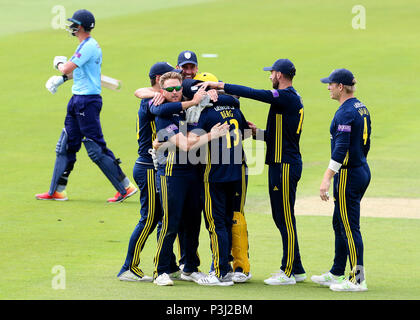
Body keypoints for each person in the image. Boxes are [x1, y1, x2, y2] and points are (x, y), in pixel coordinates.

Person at [200, 58, 307, 285]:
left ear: (279, 75)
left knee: (284, 218)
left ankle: (288, 272)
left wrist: (221, 86)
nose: (270, 76)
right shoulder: (290, 99)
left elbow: (254, 93)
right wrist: (257, 132)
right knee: (283, 217)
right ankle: (296, 267)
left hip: (284, 165)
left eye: (272, 73)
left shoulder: (285, 96)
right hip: (282, 162)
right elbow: (277, 136)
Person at [35, 9, 137, 203]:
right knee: (66, 144)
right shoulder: (85, 46)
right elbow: (77, 72)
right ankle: (56, 190)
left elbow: (67, 67)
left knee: (95, 147)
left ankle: (125, 187)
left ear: (80, 27)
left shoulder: (88, 47)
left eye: (74, 24)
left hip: (87, 102)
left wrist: (59, 65)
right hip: (78, 99)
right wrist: (61, 80)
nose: (71, 27)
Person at [152, 72, 229, 286]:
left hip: (194, 173)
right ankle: (161, 270)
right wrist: (211, 136)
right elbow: (186, 144)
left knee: (194, 222)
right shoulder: (163, 116)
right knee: (171, 222)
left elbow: (194, 137)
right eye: (169, 89)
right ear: (162, 91)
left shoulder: (185, 110)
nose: (174, 92)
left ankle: (191, 268)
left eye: (177, 88)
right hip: (172, 173)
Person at [117, 62, 183, 282]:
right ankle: (129, 267)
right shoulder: (152, 101)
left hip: (154, 164)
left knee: (163, 217)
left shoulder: (155, 96)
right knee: (150, 218)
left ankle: (171, 265)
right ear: (158, 79)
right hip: (148, 165)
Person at [311, 68, 371, 292]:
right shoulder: (360, 106)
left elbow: (341, 148)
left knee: (349, 226)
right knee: (339, 222)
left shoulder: (345, 112)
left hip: (349, 174)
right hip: (361, 168)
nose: (328, 87)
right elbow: (366, 143)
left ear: (341, 87)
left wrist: (327, 178)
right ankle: (337, 272)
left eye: (331, 84)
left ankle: (357, 279)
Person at [187, 84, 252, 286]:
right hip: (235, 173)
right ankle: (230, 267)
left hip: (214, 175)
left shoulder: (206, 116)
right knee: (227, 221)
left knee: (216, 224)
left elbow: (190, 142)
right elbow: (248, 132)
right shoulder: (236, 110)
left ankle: (219, 271)